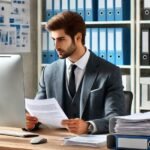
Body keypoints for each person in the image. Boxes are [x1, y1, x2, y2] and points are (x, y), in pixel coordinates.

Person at [26, 11, 125, 134]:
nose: (56, 46)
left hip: (92, 145)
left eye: (61, 39)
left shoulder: (110, 72)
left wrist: (88, 126)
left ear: (78, 37)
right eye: (53, 40)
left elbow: (115, 119)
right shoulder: (48, 72)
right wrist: (31, 122)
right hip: (55, 143)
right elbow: (37, 112)